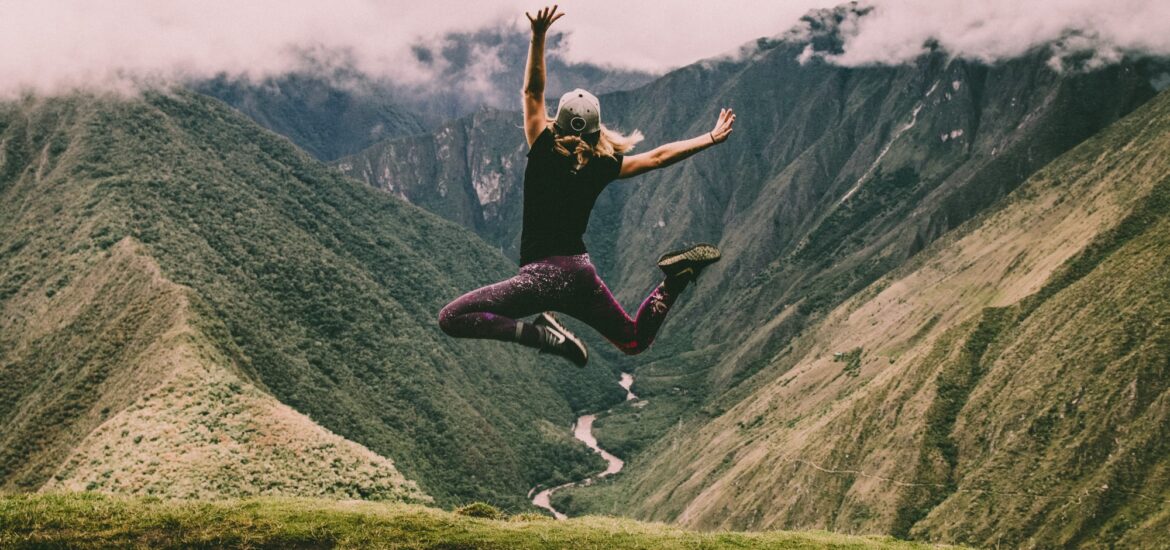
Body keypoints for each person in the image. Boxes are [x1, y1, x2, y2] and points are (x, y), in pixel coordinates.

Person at [438, 5, 735, 366]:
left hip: (540, 278)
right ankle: (673, 282)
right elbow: (658, 157)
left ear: (557, 123)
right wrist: (710, 138)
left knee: (452, 318)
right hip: (580, 274)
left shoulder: (544, 146)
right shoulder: (603, 164)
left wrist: (538, 36)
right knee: (633, 340)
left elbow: (533, 91)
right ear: (597, 130)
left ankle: (542, 336)